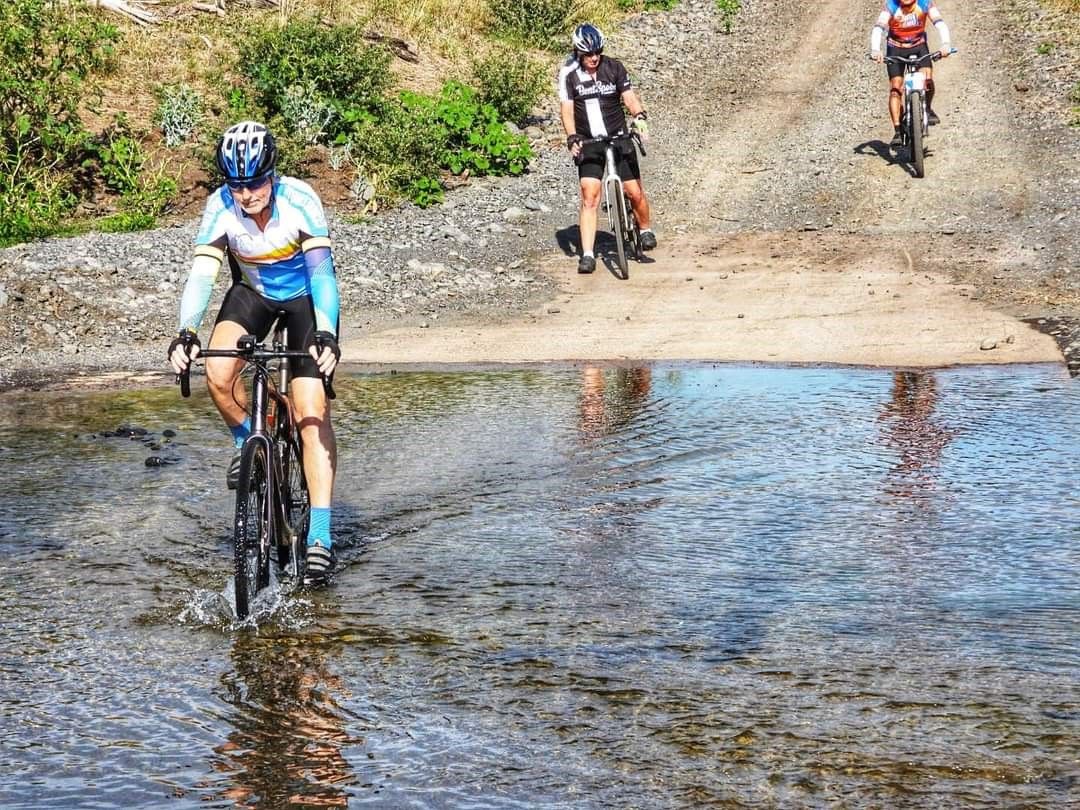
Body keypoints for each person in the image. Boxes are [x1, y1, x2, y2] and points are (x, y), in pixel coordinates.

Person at [167, 121, 341, 584]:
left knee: (310, 410)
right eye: (237, 186)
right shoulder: (219, 207)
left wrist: (325, 335)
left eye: (255, 183)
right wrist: (186, 331)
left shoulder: (300, 199)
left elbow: (323, 274)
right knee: (219, 374)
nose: (246, 195)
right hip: (254, 295)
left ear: (273, 174)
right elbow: (204, 273)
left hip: (305, 300)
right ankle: (249, 443)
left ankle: (321, 534)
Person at [558, 23, 656, 275]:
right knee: (589, 194)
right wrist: (571, 137)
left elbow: (629, 97)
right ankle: (588, 254)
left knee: (634, 191)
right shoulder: (570, 76)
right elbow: (567, 111)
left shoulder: (614, 68)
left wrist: (639, 116)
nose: (594, 58)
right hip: (589, 141)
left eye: (597, 52)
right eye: (588, 54)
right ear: (578, 53)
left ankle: (644, 229)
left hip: (618, 137)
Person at [870, 0, 952, 148]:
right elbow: (878, 27)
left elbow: (939, 23)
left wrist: (946, 44)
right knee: (896, 88)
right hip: (896, 48)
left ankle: (927, 108)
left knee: (928, 79)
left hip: (919, 46)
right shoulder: (891, 6)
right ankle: (897, 130)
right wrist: (875, 49)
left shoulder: (925, 3)